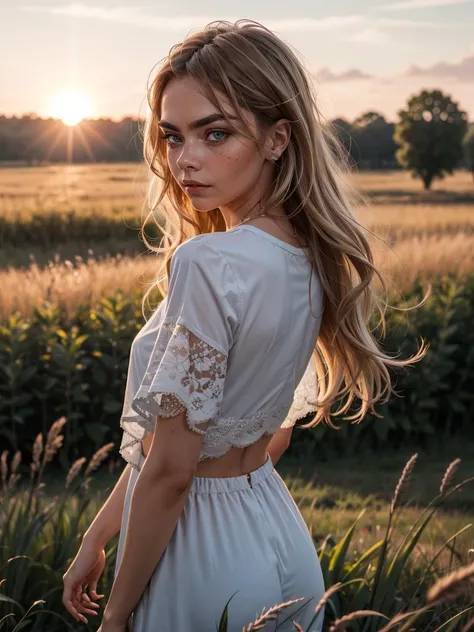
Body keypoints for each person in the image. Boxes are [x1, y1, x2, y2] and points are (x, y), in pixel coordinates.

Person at [62, 19, 428, 632]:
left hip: (199, 553)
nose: (187, 160)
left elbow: (175, 469)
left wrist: (116, 615)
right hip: (276, 533)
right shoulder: (311, 259)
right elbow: (266, 437)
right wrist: (99, 535)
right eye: (173, 137)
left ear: (279, 138)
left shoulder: (209, 262)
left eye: (217, 132)